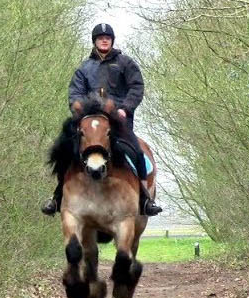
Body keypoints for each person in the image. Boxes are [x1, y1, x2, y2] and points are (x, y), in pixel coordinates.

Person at [41, 23, 162, 217]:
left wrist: (125, 109)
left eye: (107, 37)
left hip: (118, 124)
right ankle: (57, 197)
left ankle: (145, 198)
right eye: (100, 38)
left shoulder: (125, 63)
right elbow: (75, 93)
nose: (104, 40)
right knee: (64, 150)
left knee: (137, 152)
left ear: (112, 41)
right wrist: (78, 110)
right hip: (91, 124)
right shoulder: (84, 68)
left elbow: (136, 87)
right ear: (95, 41)